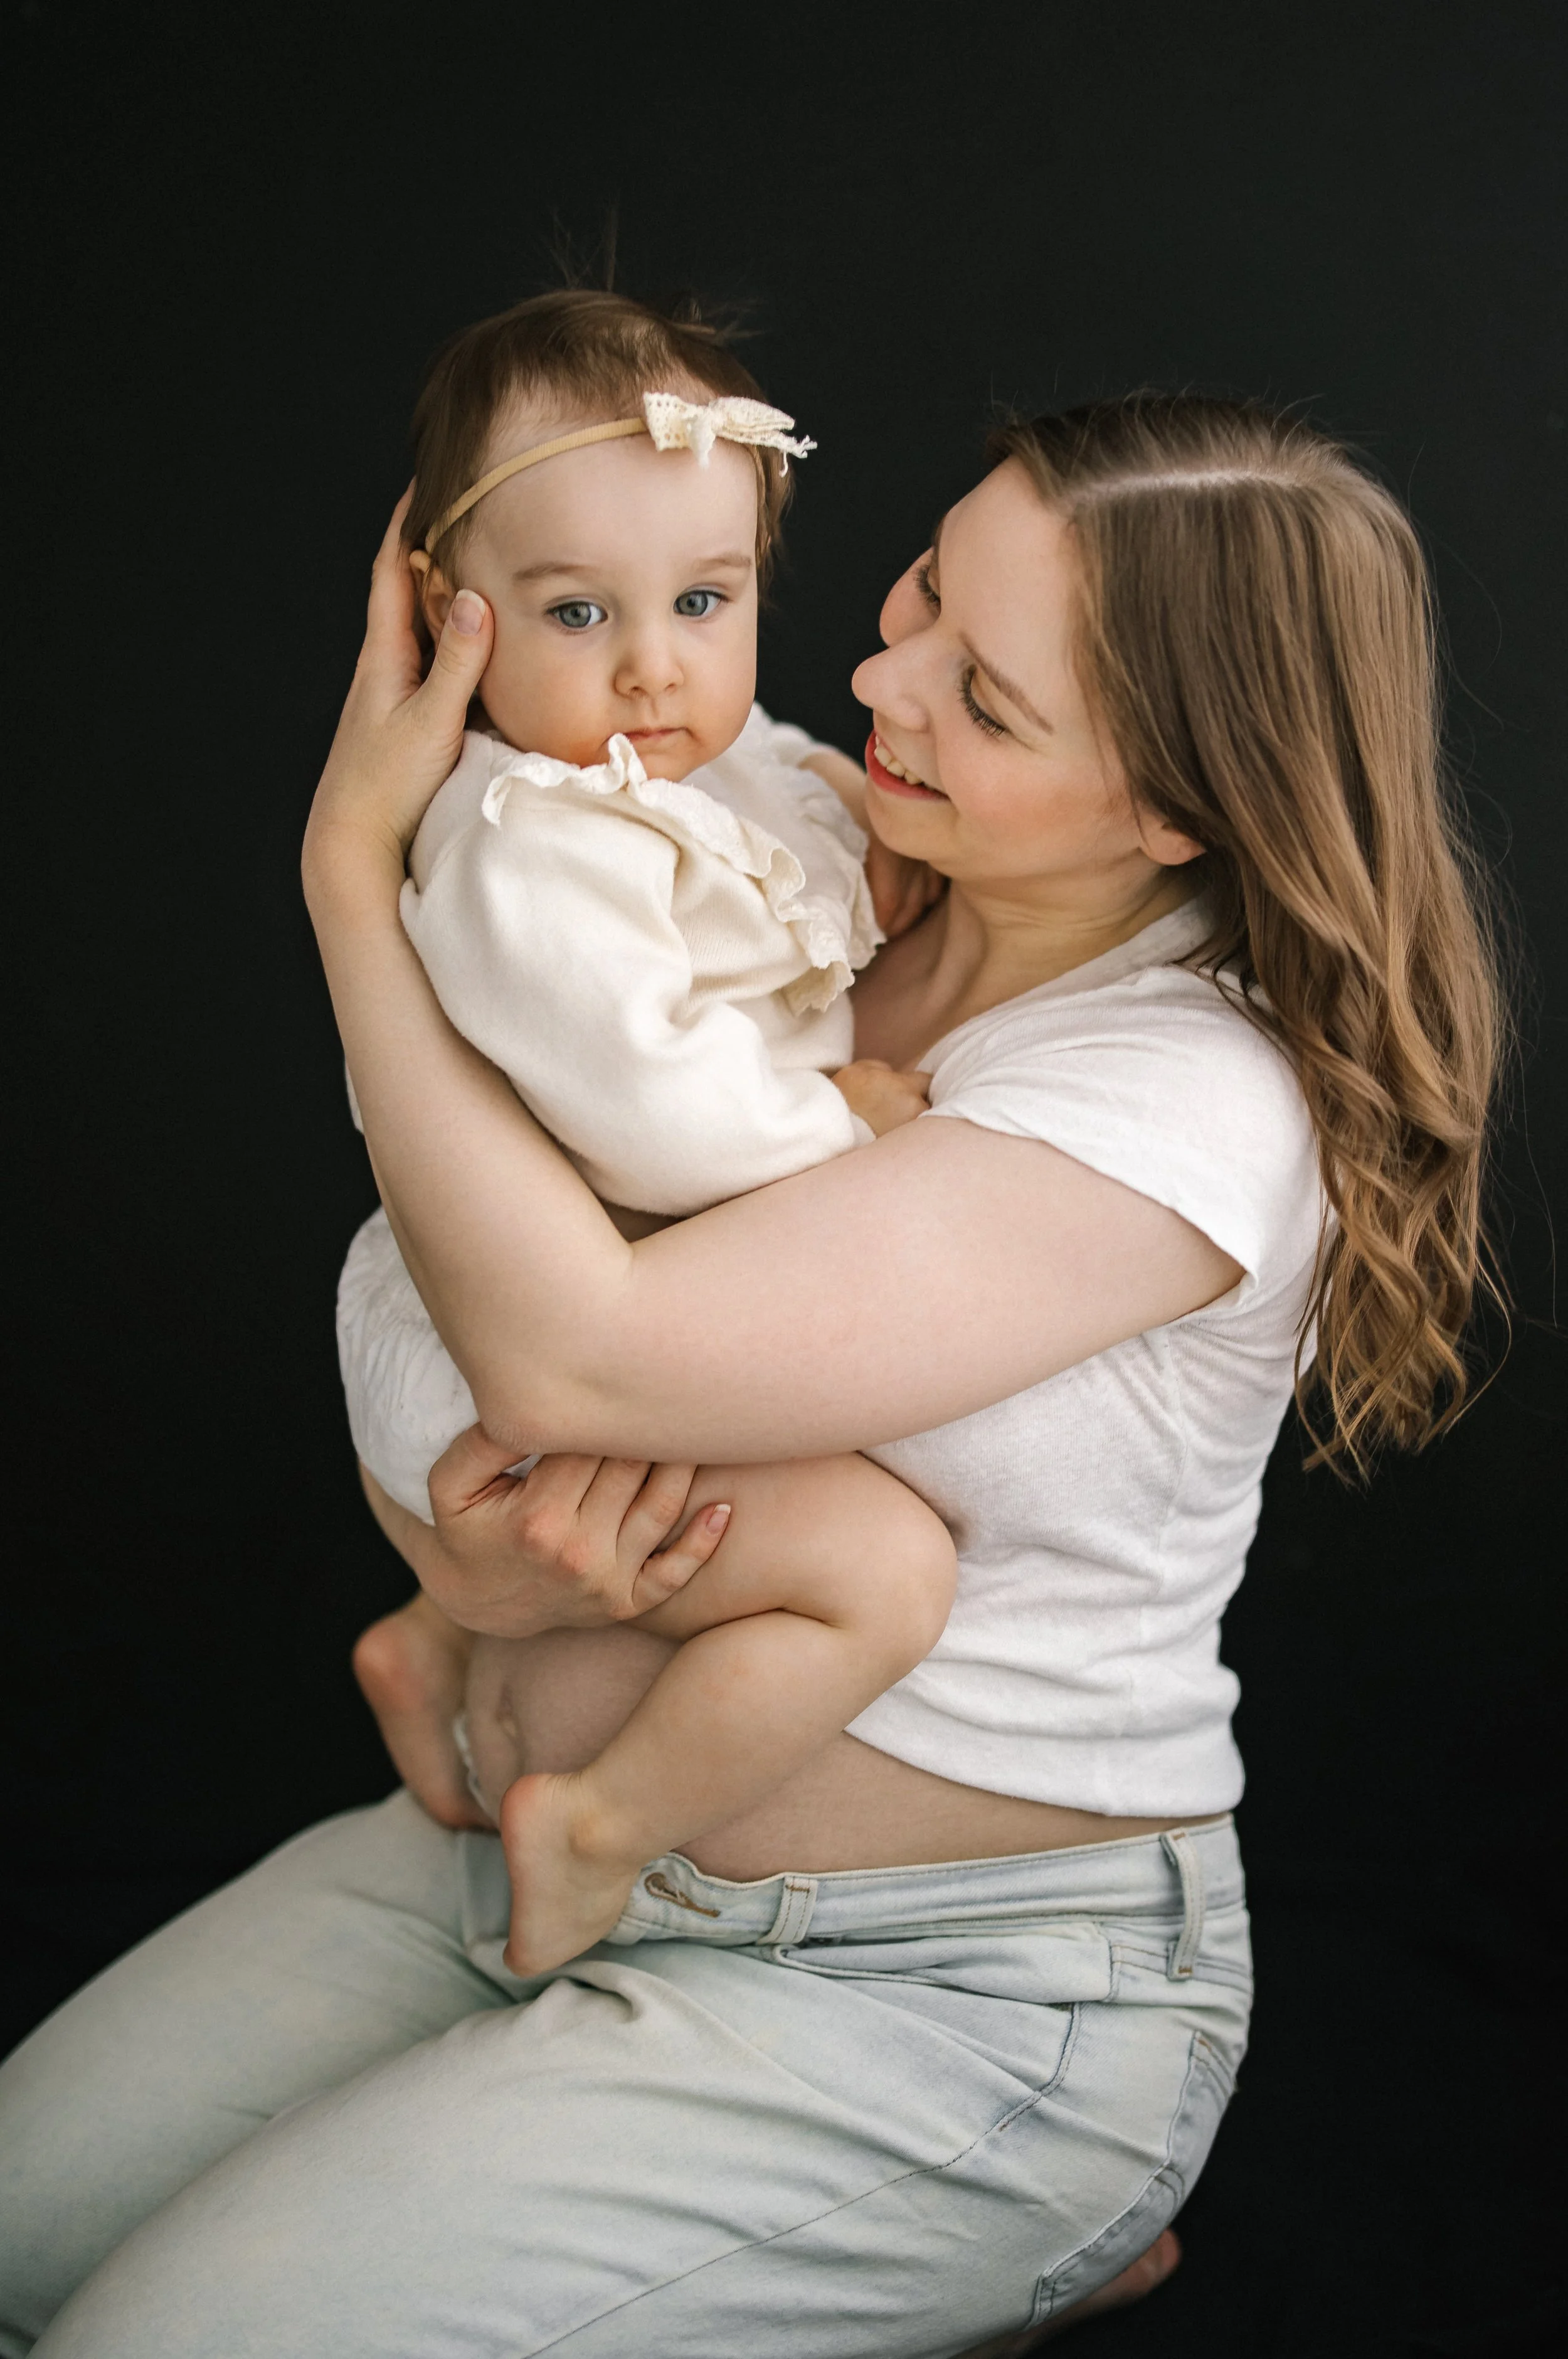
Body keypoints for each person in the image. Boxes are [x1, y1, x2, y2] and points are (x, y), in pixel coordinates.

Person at [0, 392, 1500, 2359]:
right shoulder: (793, 851)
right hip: (504, 1856)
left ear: (1174, 812)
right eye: (919, 593)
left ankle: (987, 2213)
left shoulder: (1182, 1100)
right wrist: (457, 1571)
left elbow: (559, 1347)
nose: (878, 674)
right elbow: (427, 1293)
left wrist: (351, 878)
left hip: (924, 1987)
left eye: (988, 695)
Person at [333, 289, 958, 1972]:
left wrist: (847, 817)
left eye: (702, 598)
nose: (650, 666)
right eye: (574, 612)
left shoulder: (708, 755)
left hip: (585, 1300)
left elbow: (772, 770)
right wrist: (833, 1118)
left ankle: (427, 1645)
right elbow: (655, 1118)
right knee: (879, 1575)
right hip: (494, 1332)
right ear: (452, 624)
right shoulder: (529, 846)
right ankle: (598, 1824)